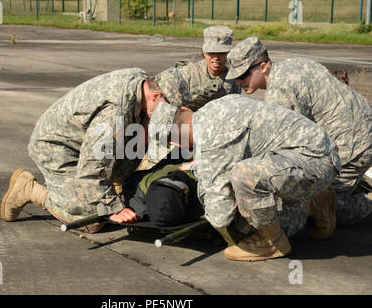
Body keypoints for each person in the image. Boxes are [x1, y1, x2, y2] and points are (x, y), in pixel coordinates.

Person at [0, 67, 191, 233]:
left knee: (142, 130)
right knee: (93, 218)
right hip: (56, 148)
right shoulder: (115, 112)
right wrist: (110, 207)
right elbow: (90, 168)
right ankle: (30, 190)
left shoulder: (143, 84)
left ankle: (111, 185)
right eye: (166, 107)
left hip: (84, 144)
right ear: (155, 95)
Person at [225, 36, 372, 233]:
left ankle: (368, 202)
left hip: (352, 145)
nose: (238, 81)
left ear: (263, 67)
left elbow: (282, 148)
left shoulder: (280, 91)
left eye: (243, 75)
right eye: (236, 76)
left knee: (324, 206)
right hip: (361, 126)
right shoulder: (294, 64)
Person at [171, 94, 340, 261]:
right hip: (317, 152)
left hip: (314, 162)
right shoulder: (216, 107)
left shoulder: (209, 140)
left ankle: (272, 242)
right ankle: (315, 201)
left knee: (245, 189)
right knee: (255, 199)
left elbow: (221, 216)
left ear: (178, 143)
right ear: (186, 109)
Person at [155, 26, 241, 112]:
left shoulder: (234, 81)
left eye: (221, 53)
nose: (216, 58)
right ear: (204, 52)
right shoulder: (188, 74)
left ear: (229, 53)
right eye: (211, 53)